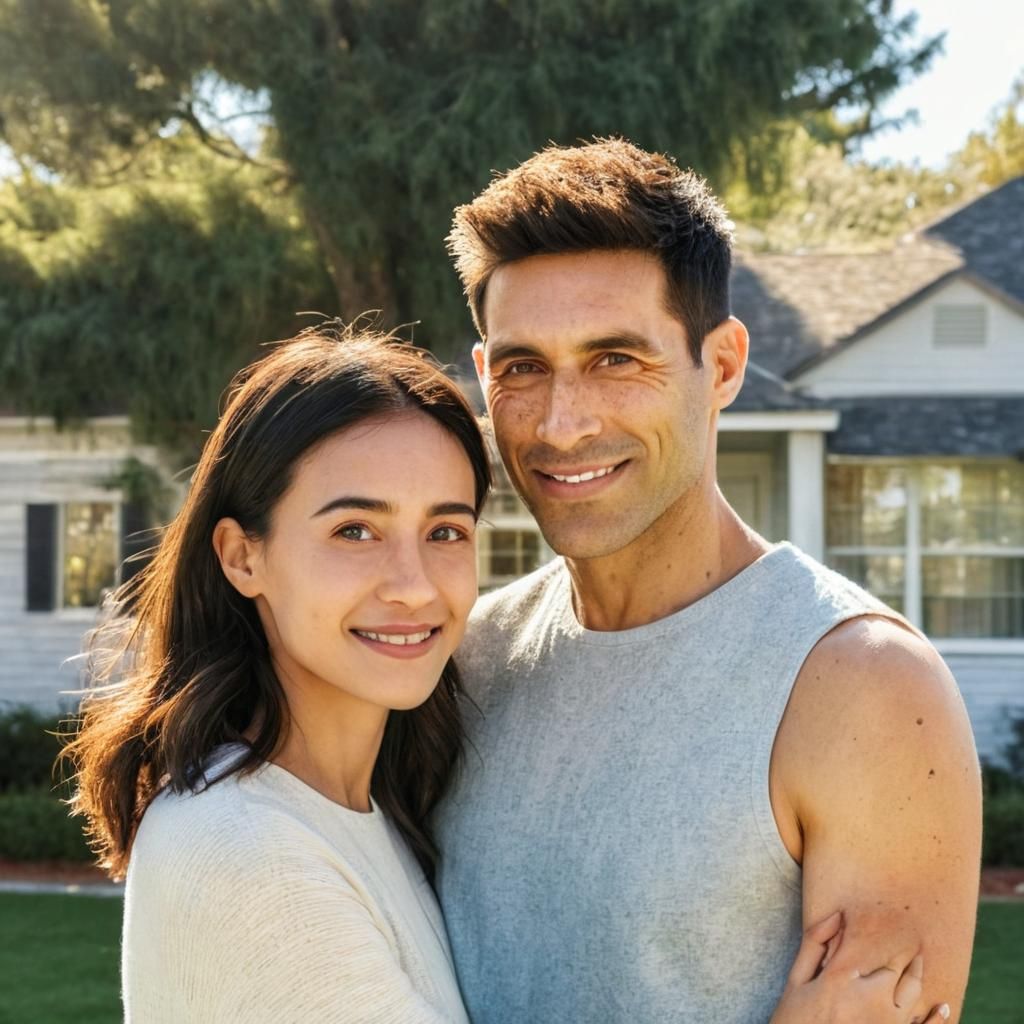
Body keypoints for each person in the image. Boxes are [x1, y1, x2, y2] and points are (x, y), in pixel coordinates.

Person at [436, 139, 981, 1024]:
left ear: (722, 366)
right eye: (523, 367)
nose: (562, 424)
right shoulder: (463, 660)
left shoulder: (864, 692)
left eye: (617, 359)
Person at [62, 326, 490, 1023]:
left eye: (445, 532)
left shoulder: (357, 812)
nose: (414, 587)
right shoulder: (247, 854)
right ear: (242, 557)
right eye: (355, 530)